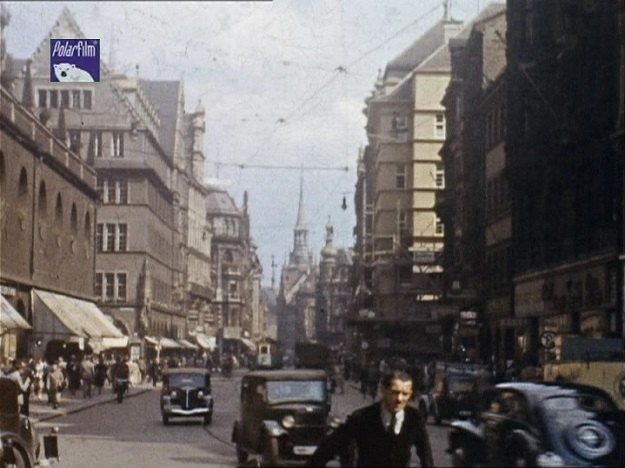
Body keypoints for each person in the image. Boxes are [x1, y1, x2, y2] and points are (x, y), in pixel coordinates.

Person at [308, 369, 433, 467]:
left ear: (411, 394)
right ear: (383, 390)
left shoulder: (414, 418)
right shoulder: (362, 418)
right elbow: (330, 447)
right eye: (394, 392)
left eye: (405, 394)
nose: (399, 399)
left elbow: (426, 456)